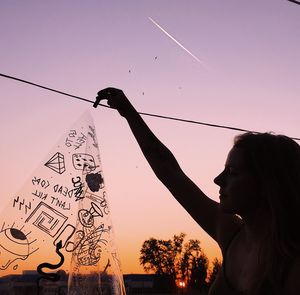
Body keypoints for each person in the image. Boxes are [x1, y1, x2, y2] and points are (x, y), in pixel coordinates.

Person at [95, 87, 300, 294]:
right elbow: (168, 170)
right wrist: (128, 113)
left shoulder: (292, 261)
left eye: (232, 171)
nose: (218, 180)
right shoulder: (229, 231)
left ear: (267, 184)